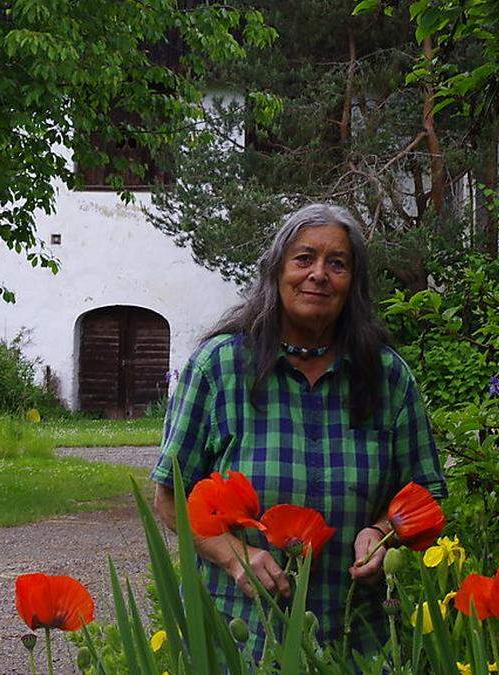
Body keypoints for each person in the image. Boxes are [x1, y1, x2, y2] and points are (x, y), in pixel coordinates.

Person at [150, 203, 446, 661]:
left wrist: (383, 533)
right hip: (241, 636)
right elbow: (170, 498)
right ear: (276, 272)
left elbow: (425, 494)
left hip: (355, 638)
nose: (319, 274)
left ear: (354, 284)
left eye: (337, 263)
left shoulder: (386, 376)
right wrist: (234, 555)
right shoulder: (220, 368)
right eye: (304, 258)